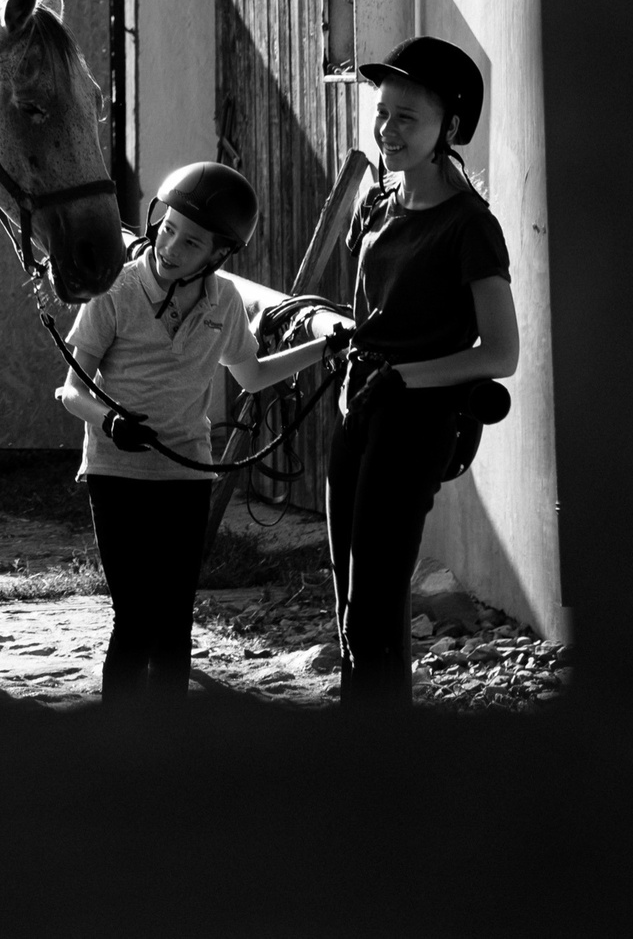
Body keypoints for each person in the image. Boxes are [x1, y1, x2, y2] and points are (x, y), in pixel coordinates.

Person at [54, 163, 325, 700]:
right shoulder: (115, 290)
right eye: (168, 228)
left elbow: (252, 374)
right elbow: (69, 391)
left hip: (186, 476)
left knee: (175, 621)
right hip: (117, 471)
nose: (171, 246)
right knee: (134, 619)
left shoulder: (223, 302)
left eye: (191, 241)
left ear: (218, 255)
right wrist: (109, 420)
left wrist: (324, 349)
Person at [327, 36, 519, 705]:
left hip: (413, 422)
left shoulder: (470, 225)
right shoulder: (377, 203)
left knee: (377, 603)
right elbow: (371, 314)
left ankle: (384, 767)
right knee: (349, 602)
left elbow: (501, 351)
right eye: (383, 112)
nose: (387, 128)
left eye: (407, 116)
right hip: (358, 406)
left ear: (450, 127)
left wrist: (404, 377)